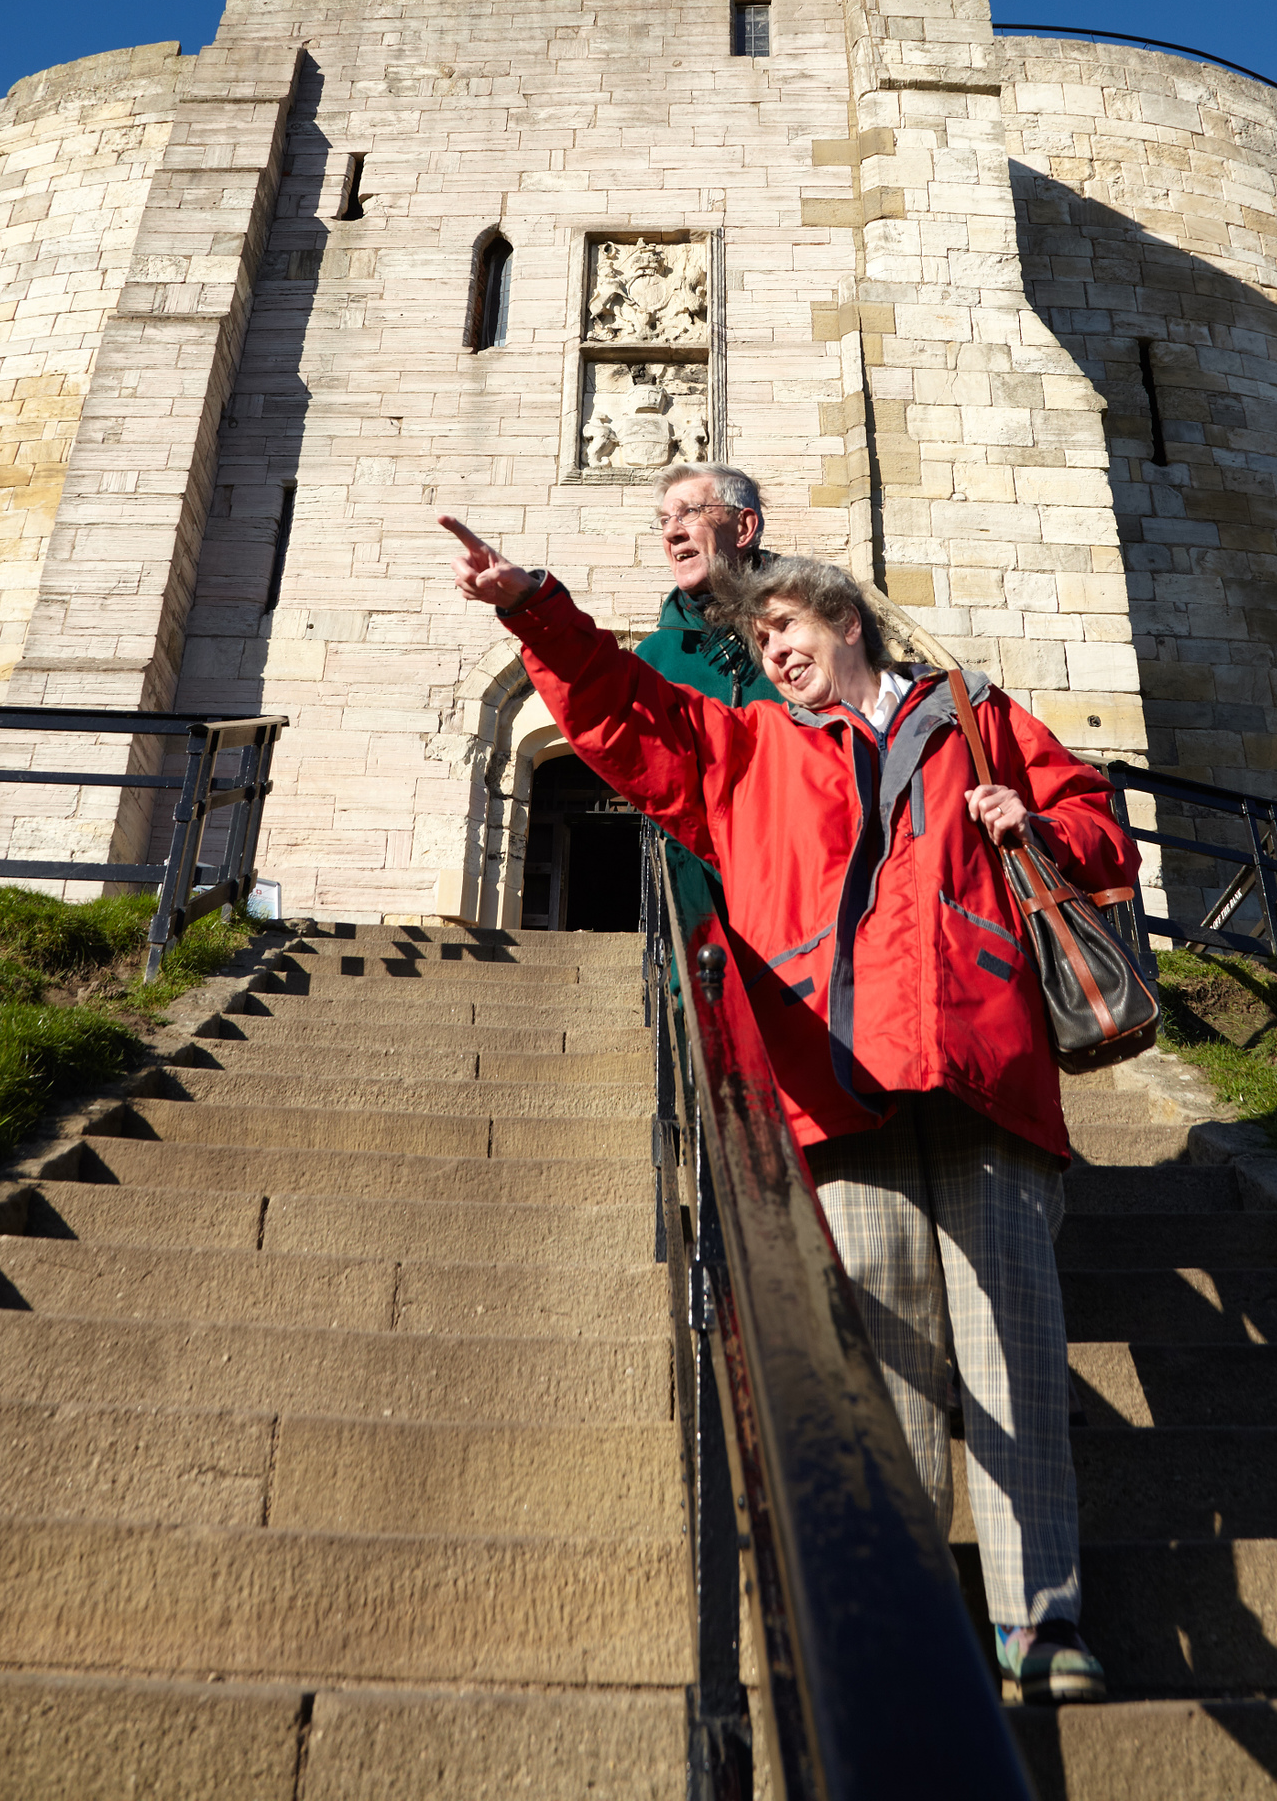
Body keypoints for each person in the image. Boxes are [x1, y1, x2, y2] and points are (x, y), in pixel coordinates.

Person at [442, 516, 1138, 1707]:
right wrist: (532, 607)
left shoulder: (973, 720)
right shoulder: (749, 751)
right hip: (834, 1085)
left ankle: (1040, 1621)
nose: (770, 651)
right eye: (756, 639)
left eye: (784, 627)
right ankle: (911, 1624)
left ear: (845, 622)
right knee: (887, 1365)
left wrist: (1039, 825)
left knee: (1013, 1352)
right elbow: (620, 713)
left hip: (984, 1065)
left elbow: (1096, 824)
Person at [636, 463, 781, 940]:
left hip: (806, 878)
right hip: (699, 902)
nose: (672, 531)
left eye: (690, 512)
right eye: (663, 520)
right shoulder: (655, 659)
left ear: (744, 527)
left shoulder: (813, 631)